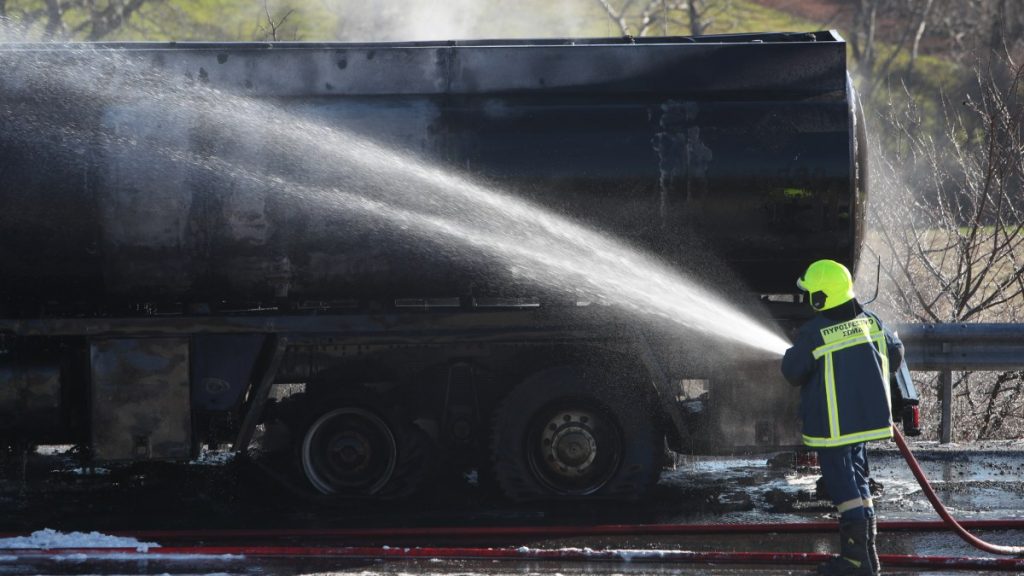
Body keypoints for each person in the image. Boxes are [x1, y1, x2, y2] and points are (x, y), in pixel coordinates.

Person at [781, 259, 904, 576]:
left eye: (810, 294)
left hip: (833, 430)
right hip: (864, 424)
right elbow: (896, 352)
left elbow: (792, 372)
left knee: (843, 489)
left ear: (820, 298)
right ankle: (868, 555)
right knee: (859, 482)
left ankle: (855, 560)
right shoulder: (872, 322)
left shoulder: (815, 333)